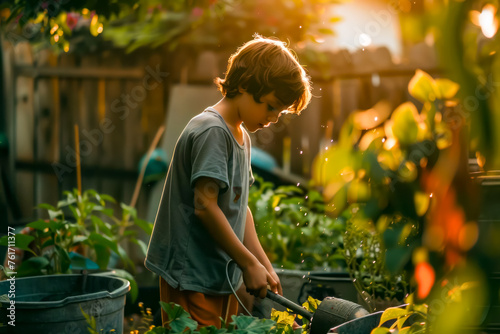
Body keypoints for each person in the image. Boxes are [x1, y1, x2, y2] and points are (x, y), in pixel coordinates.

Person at [145, 35, 312, 328]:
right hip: (190, 275)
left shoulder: (241, 136)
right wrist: (247, 263)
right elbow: (205, 206)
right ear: (246, 85)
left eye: (280, 112)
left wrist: (261, 263)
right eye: (271, 106)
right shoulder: (212, 132)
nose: (273, 118)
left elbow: (240, 208)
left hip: (217, 273)